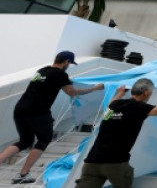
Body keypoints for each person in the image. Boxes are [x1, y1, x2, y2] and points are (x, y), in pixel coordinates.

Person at [75, 79, 157, 188]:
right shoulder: (140, 108)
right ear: (146, 93)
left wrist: (119, 93)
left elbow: (108, 108)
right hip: (115, 164)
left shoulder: (114, 105)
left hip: (91, 163)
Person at [0, 51, 103, 184]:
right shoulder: (60, 74)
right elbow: (72, 93)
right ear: (66, 61)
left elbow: (52, 83)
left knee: (25, 141)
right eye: (69, 63)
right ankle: (23, 174)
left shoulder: (42, 71)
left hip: (20, 109)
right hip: (37, 111)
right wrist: (95, 88)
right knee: (44, 139)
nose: (69, 66)